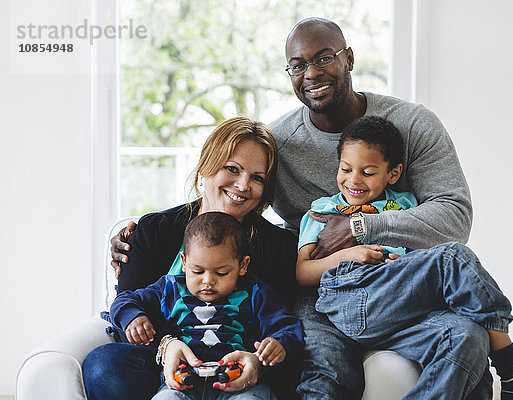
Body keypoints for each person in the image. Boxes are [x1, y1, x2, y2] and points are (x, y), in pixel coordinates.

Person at [112, 17, 484, 400]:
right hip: (324, 295)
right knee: (323, 372)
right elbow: (230, 221)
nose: (311, 73)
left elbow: (454, 216)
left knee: (469, 338)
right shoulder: (281, 147)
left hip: (404, 287)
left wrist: (358, 229)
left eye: (324, 58)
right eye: (297, 65)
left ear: (349, 59)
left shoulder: (411, 125)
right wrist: (129, 233)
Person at [296, 116, 513, 400]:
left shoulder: (406, 205)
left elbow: (428, 248)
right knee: (452, 257)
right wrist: (350, 253)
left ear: (394, 174)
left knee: (468, 336)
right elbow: (303, 272)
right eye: (346, 169)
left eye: (368, 172)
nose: (354, 180)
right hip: (353, 298)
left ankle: (509, 373)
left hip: (404, 308)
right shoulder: (322, 210)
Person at [83, 117, 300, 400]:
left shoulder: (278, 248)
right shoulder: (153, 231)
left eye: (257, 178)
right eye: (232, 169)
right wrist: (167, 346)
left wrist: (258, 363)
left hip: (234, 370)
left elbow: (281, 327)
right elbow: (127, 312)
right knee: (102, 366)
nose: (243, 185)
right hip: (161, 364)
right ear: (206, 166)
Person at [111, 211, 303, 400]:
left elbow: (287, 327)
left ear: (242, 265)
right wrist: (133, 316)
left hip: (239, 382)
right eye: (198, 271)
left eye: (221, 273)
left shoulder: (255, 293)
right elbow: (124, 299)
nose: (208, 281)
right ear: (184, 262)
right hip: (182, 382)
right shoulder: (170, 288)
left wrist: (279, 344)